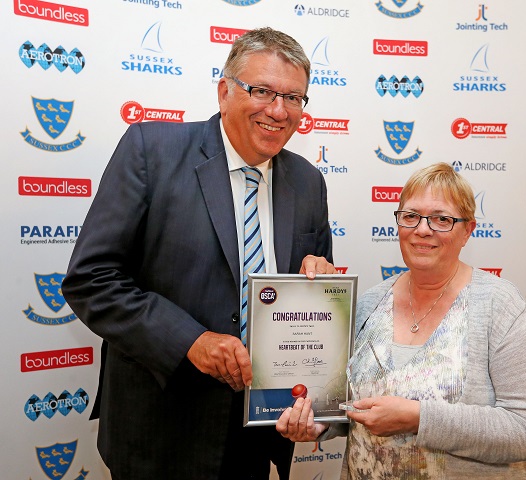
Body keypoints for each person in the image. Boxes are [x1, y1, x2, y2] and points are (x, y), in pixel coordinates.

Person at [62, 27, 335, 480]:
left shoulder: (309, 182)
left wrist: (319, 285)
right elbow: (91, 279)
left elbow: (310, 295)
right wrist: (190, 341)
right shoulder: (152, 151)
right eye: (263, 91)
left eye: (294, 98)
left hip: (256, 431)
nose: (278, 110)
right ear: (225, 90)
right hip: (161, 427)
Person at [277, 162, 526, 479]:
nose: (422, 229)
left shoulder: (498, 304)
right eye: (410, 216)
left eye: (441, 219)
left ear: (468, 231)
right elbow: (353, 407)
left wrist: (420, 419)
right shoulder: (370, 302)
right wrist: (320, 423)